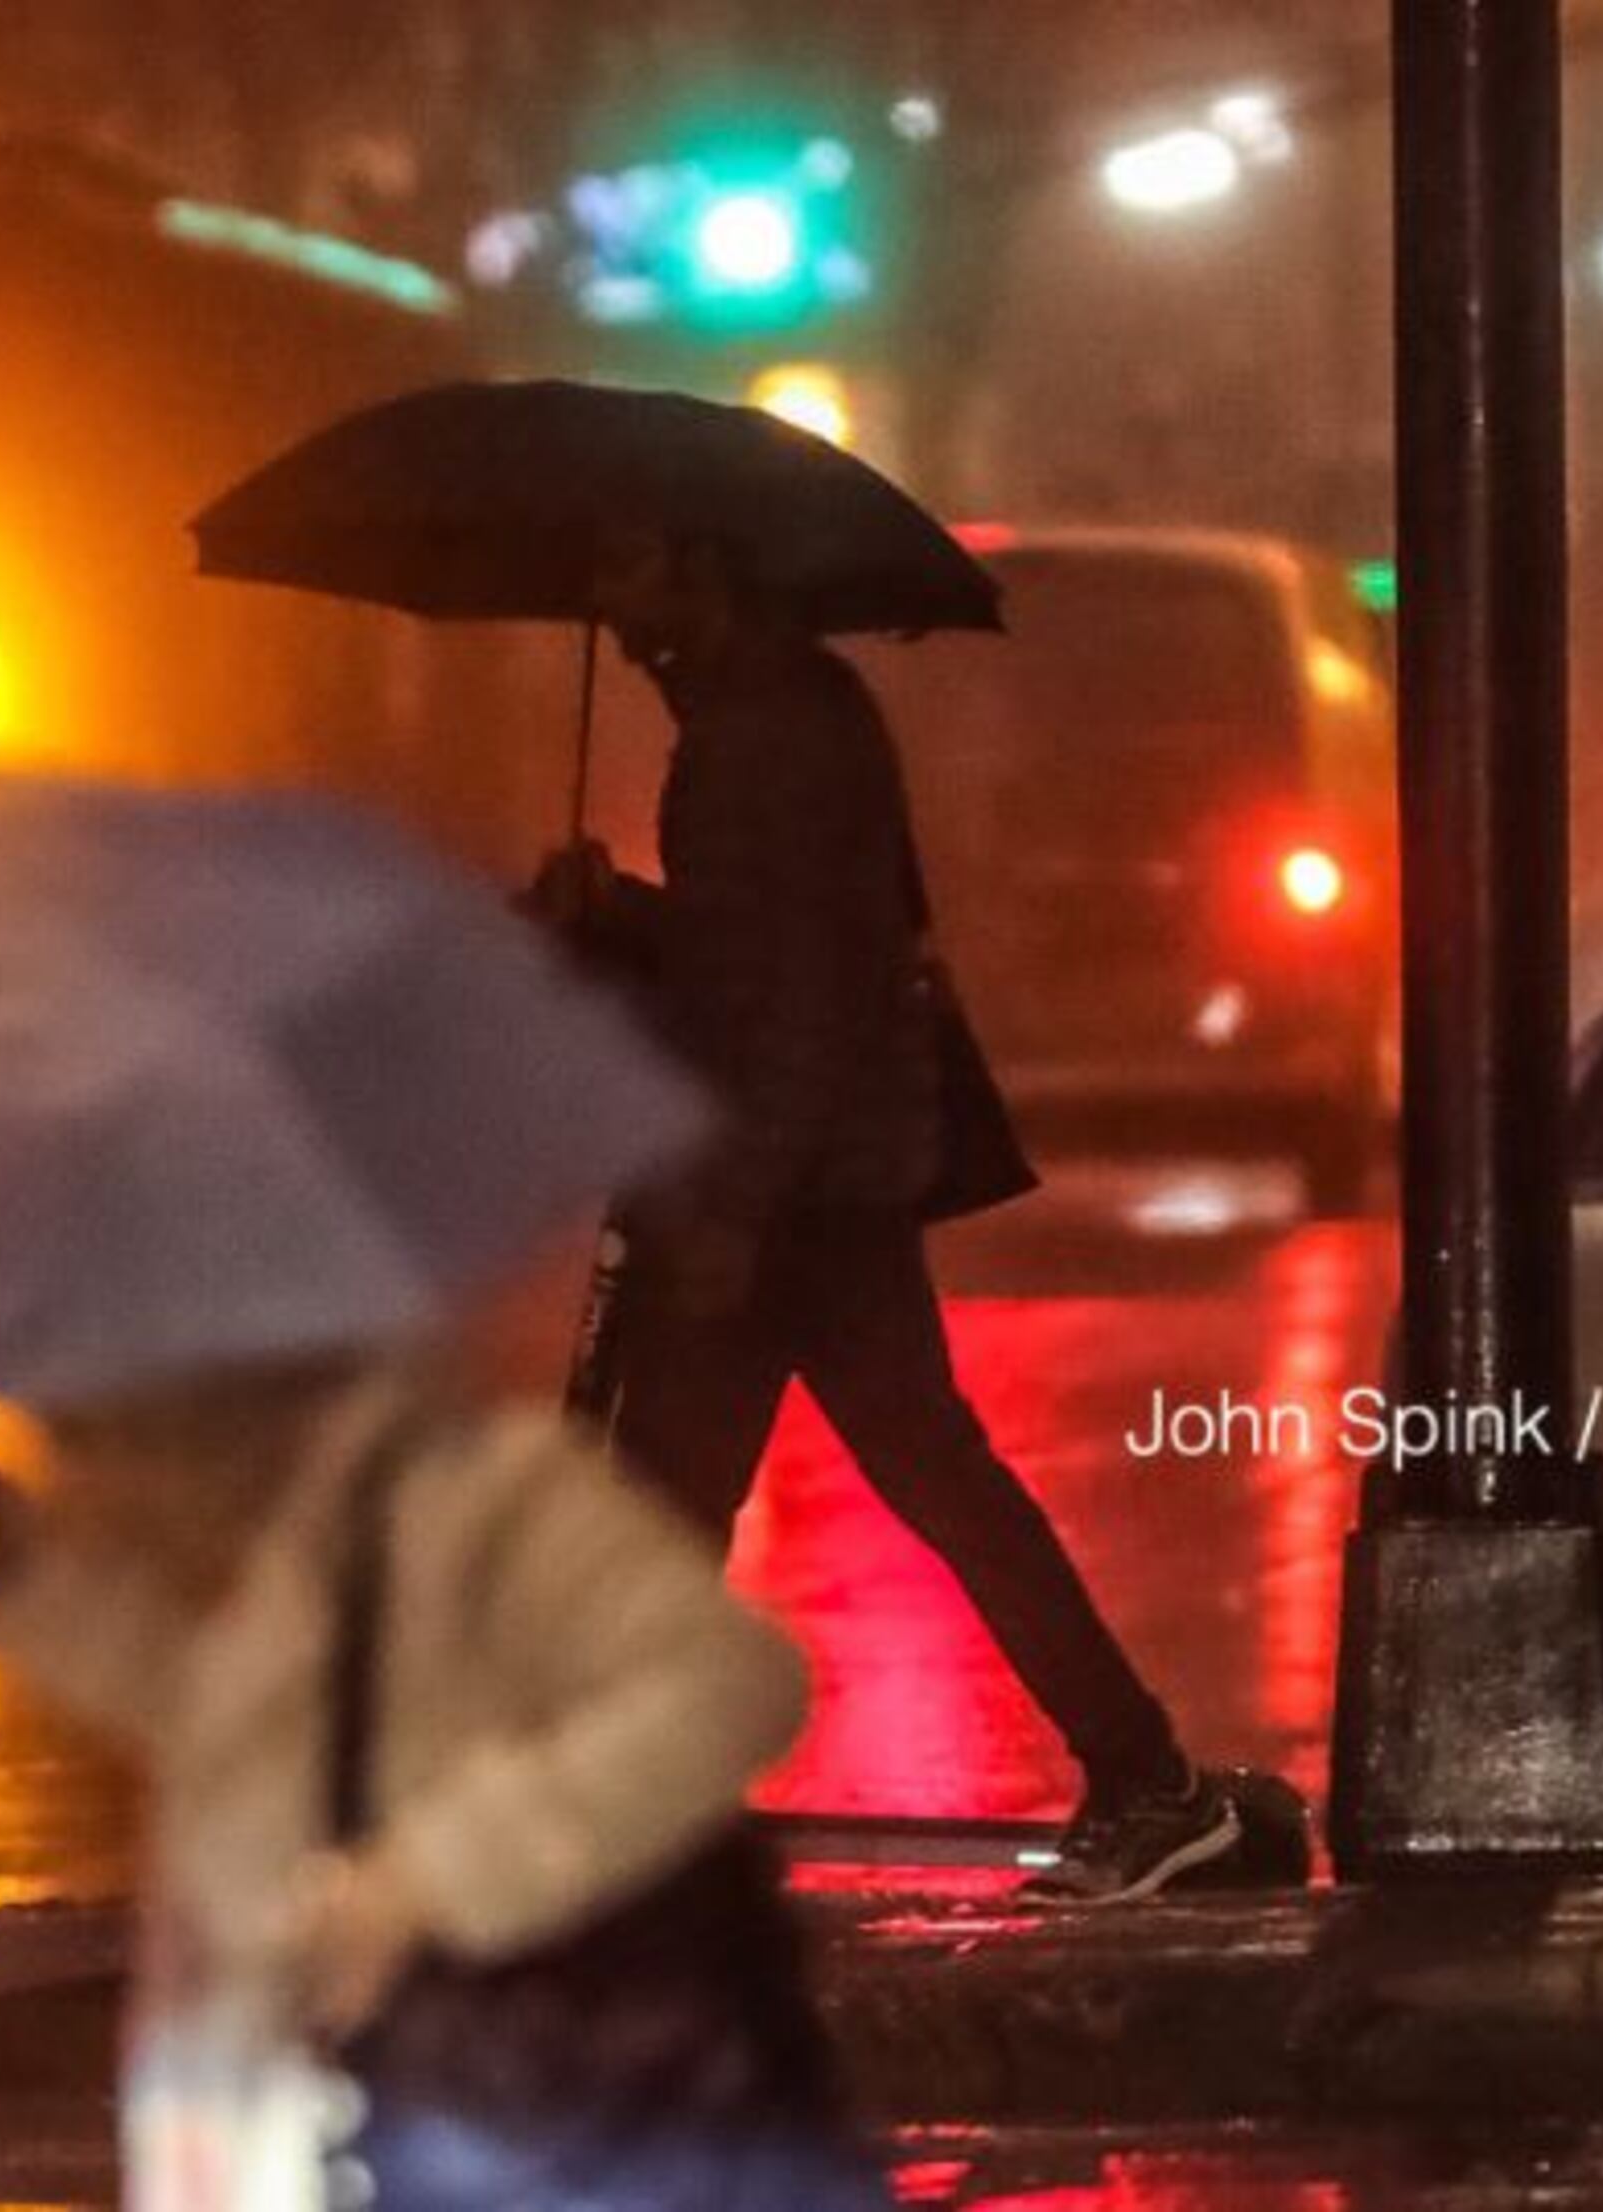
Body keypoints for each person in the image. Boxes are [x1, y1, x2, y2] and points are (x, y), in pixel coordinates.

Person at [530, 523, 1240, 1903]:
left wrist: (734, 1207)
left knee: (701, 1504)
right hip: (819, 1182)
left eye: (630, 563)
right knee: (841, 1490)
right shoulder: (776, 717)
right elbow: (759, 955)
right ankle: (1141, 1775)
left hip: (787, 1193)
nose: (607, 601)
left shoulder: (764, 741)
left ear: (704, 567)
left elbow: (795, 1005)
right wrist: (617, 912)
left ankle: (635, 1830)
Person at [0, 1348, 889, 2210]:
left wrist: (431, 1877)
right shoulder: (272, 1545)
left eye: (84, 1434)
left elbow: (728, 1680)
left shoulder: (476, 1500)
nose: (72, 1472)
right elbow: (236, 1735)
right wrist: (28, 1585)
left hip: (516, 2118)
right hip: (315, 2123)